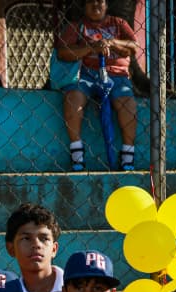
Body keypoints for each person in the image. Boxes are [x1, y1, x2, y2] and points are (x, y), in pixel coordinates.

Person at [55, 0, 139, 171]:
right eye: (90, 1)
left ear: (106, 5)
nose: (96, 5)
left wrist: (111, 43)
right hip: (86, 74)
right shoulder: (77, 26)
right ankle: (77, 154)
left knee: (127, 104)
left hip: (116, 74)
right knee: (73, 99)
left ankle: (127, 155)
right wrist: (90, 48)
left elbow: (134, 46)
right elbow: (62, 52)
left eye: (100, 1)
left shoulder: (118, 23)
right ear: (84, 6)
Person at [5, 203, 72, 292]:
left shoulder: (76, 289)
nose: (36, 245)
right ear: (11, 249)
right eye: (26, 238)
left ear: (54, 249)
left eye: (44, 238)